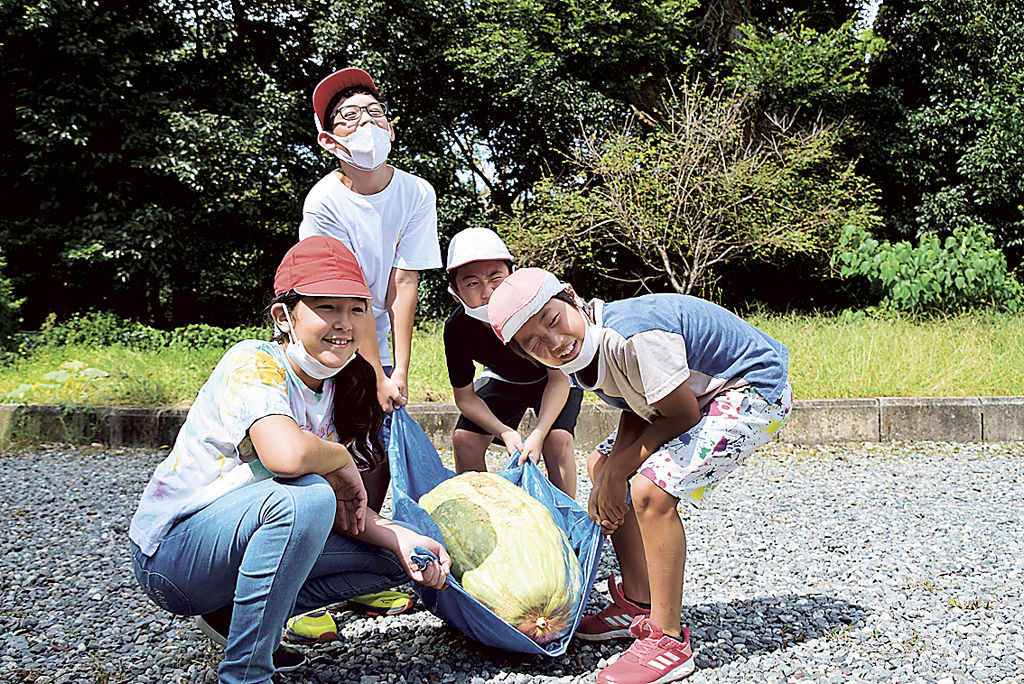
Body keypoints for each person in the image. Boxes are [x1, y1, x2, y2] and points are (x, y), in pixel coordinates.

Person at [128, 236, 450, 684]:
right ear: (284, 316)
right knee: (308, 496)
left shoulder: (338, 386)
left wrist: (402, 538)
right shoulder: (254, 361)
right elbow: (286, 456)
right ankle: (246, 674)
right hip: (175, 559)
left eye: (356, 309)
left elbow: (340, 512)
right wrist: (339, 459)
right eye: (327, 307)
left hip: (237, 551)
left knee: (406, 551)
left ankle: (236, 619)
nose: (344, 323)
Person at [487, 268, 792, 684]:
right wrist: (610, 472)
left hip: (753, 386)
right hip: (697, 394)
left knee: (650, 491)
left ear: (571, 295)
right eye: (534, 342)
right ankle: (638, 599)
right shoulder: (581, 353)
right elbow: (640, 402)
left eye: (553, 320)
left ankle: (668, 641)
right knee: (598, 465)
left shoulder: (632, 334)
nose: (553, 342)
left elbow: (682, 414)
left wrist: (622, 473)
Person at [443, 227, 582, 496]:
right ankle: (481, 515)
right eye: (472, 283)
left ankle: (566, 518)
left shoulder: (534, 306)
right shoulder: (457, 328)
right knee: (464, 440)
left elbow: (558, 380)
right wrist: (505, 432)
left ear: (512, 274)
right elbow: (465, 398)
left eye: (495, 278)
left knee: (557, 440)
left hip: (556, 380)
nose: (487, 292)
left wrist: (538, 434)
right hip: (503, 379)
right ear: (454, 290)